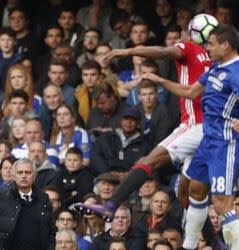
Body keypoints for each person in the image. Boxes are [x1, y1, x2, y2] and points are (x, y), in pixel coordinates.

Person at [143, 24, 239, 250]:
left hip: (226, 145)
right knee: (195, 188)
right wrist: (161, 82)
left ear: (226, 46)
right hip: (208, 139)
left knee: (222, 203)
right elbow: (192, 92)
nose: (208, 48)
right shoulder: (215, 67)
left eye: (212, 44)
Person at [77, 13, 214, 218]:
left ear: (191, 34)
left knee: (149, 161)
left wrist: (128, 50)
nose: (179, 39)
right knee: (186, 192)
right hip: (211, 129)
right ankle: (213, 241)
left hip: (195, 124)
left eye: (183, 34)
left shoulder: (189, 47)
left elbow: (162, 51)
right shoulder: (215, 60)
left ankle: (111, 204)